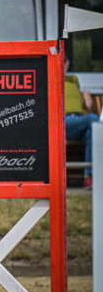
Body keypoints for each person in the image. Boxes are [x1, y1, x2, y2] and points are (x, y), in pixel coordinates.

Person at [65, 46, 97, 189]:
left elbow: (89, 104)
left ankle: (88, 177)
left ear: (67, 63)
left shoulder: (73, 80)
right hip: (64, 122)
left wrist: (85, 93)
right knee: (93, 119)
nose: (63, 65)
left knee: (92, 133)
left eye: (65, 62)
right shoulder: (51, 79)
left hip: (78, 121)